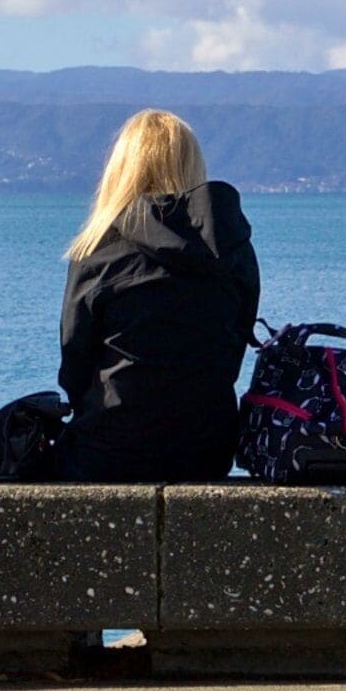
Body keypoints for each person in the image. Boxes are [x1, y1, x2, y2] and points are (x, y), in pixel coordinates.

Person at [54, 110, 259, 482]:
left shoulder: (98, 251)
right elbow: (234, 348)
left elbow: (75, 360)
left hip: (109, 450)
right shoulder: (231, 249)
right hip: (208, 450)